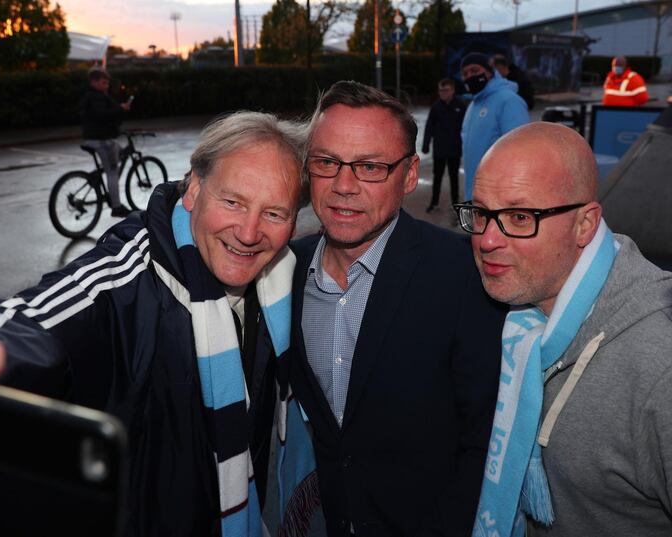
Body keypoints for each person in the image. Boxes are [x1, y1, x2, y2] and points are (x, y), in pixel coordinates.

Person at [0, 111, 311, 536]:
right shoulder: (129, 275)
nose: (250, 232)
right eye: (233, 201)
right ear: (194, 189)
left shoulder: (278, 284)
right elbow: (38, 316)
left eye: (274, 213)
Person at [288, 80, 507, 536]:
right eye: (327, 162)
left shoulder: (465, 275)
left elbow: (484, 440)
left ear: (409, 175)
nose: (343, 186)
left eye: (370, 167)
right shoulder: (285, 270)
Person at [454, 122, 672, 536]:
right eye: (481, 213)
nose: (486, 239)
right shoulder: (520, 315)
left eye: (520, 217)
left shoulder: (659, 363)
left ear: (585, 224)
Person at [460, 52, 529, 201]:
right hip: (476, 195)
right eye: (465, 73)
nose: (469, 76)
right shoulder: (473, 105)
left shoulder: (509, 101)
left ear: (489, 72)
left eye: (475, 70)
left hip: (499, 198)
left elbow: (521, 152)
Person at [81, 67, 132, 217]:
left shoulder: (92, 95)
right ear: (94, 82)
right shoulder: (96, 97)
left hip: (96, 138)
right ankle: (116, 207)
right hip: (102, 140)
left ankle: (97, 176)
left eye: (107, 83)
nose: (106, 86)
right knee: (112, 172)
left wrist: (119, 109)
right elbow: (102, 115)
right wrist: (121, 108)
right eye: (103, 83)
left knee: (119, 150)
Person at [422, 78, 466, 213]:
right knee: (437, 177)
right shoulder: (436, 107)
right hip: (439, 149)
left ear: (452, 90)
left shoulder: (461, 106)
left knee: (454, 178)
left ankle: (455, 204)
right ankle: (434, 203)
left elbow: (466, 127)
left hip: (454, 149)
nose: (442, 93)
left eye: (445, 90)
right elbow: (429, 126)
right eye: (440, 90)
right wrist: (426, 144)